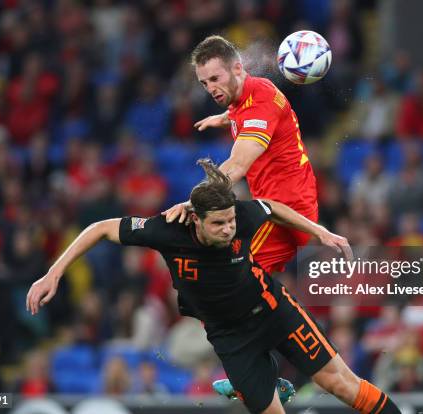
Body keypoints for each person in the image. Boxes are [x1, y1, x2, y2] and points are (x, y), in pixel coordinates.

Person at [27, 159, 401, 414]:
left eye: (230, 221)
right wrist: (54, 272)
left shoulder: (241, 214)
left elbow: (270, 206)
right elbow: (101, 228)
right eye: (218, 224)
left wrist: (319, 231)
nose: (228, 229)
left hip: (273, 311)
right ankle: (262, 377)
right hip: (230, 337)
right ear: (196, 220)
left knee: (341, 385)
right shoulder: (168, 229)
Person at [164, 35, 318, 275]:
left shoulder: (260, 103)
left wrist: (194, 201)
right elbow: (246, 113)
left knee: (228, 279)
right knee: (229, 281)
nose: (211, 89)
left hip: (284, 215)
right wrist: (225, 118)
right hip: (272, 207)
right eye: (204, 83)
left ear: (237, 68)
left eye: (215, 79)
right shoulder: (250, 92)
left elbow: (236, 166)